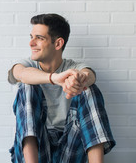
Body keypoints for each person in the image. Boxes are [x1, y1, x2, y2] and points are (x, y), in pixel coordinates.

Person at [8, 13, 115, 163]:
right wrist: (53, 78)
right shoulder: (27, 66)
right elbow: (20, 73)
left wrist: (80, 79)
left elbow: (89, 74)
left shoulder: (72, 67)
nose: (31, 43)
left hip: (70, 147)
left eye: (39, 38)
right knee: (27, 86)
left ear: (58, 44)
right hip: (38, 148)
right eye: (31, 37)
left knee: (88, 89)